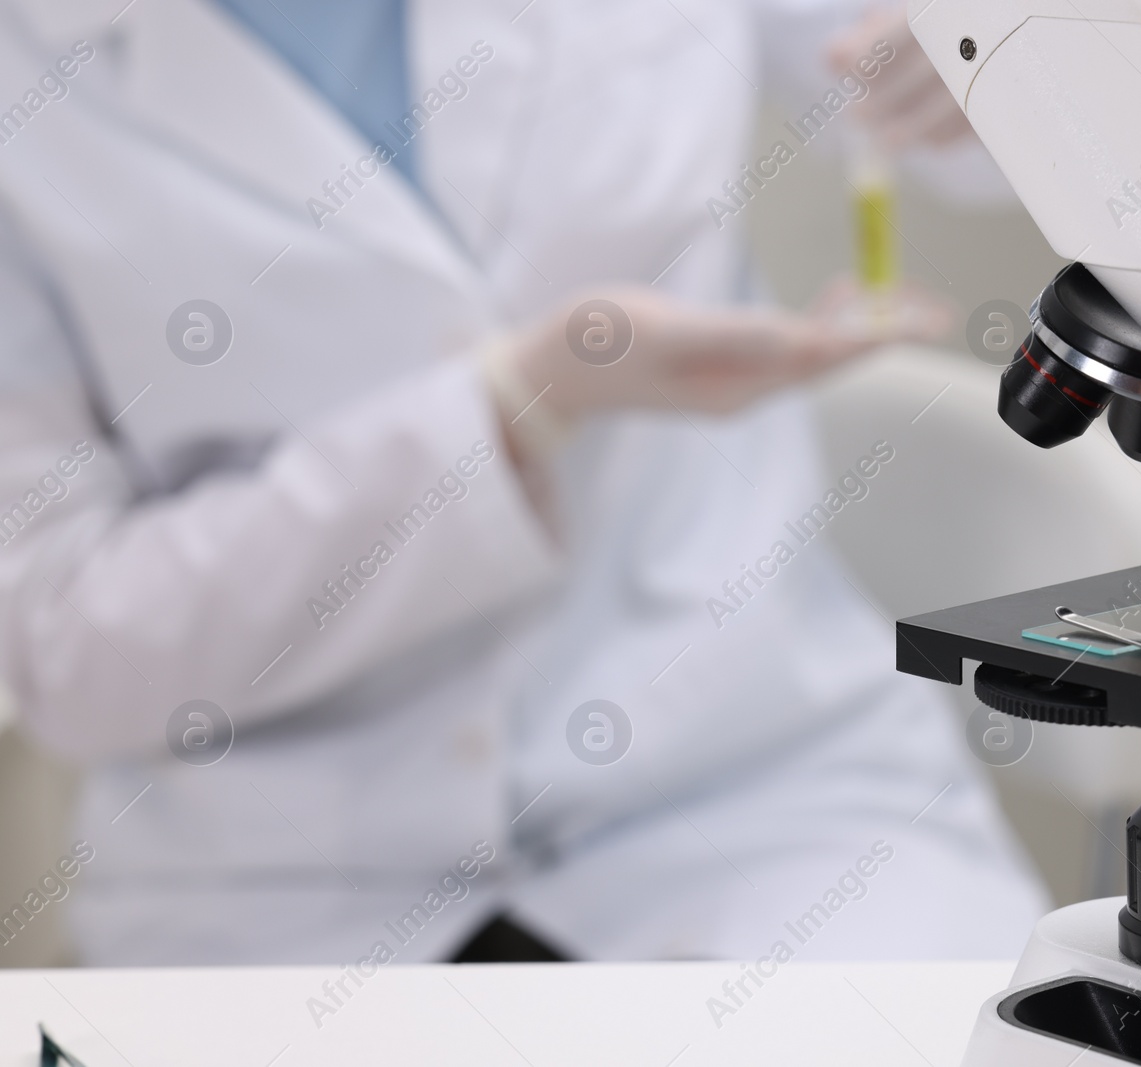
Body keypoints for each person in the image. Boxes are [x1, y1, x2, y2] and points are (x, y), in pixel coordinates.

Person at [0, 0, 1047, 965]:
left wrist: (1007, 50)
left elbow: (993, 122)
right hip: (281, 885)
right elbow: (63, 646)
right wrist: (513, 406)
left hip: (752, 786)